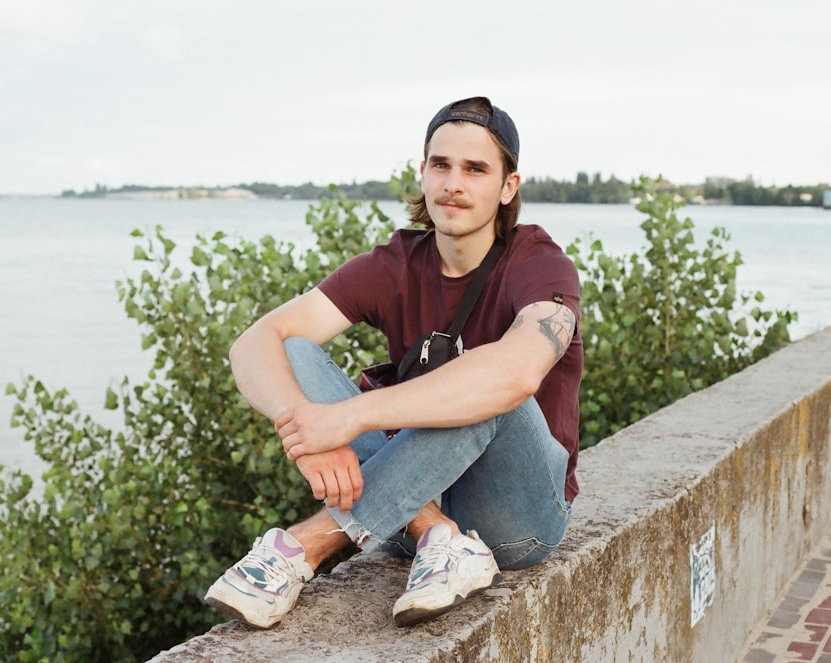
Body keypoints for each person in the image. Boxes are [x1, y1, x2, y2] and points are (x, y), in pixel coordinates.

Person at [204, 96, 583, 629]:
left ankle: (306, 546)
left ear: (507, 188)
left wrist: (351, 418)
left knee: (490, 377)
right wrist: (312, 434)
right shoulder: (394, 265)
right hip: (408, 518)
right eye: (441, 164)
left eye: (476, 169)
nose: (454, 182)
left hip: (516, 519)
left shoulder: (540, 265)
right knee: (290, 351)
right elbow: (252, 344)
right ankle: (437, 534)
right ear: (423, 172)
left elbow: (517, 374)